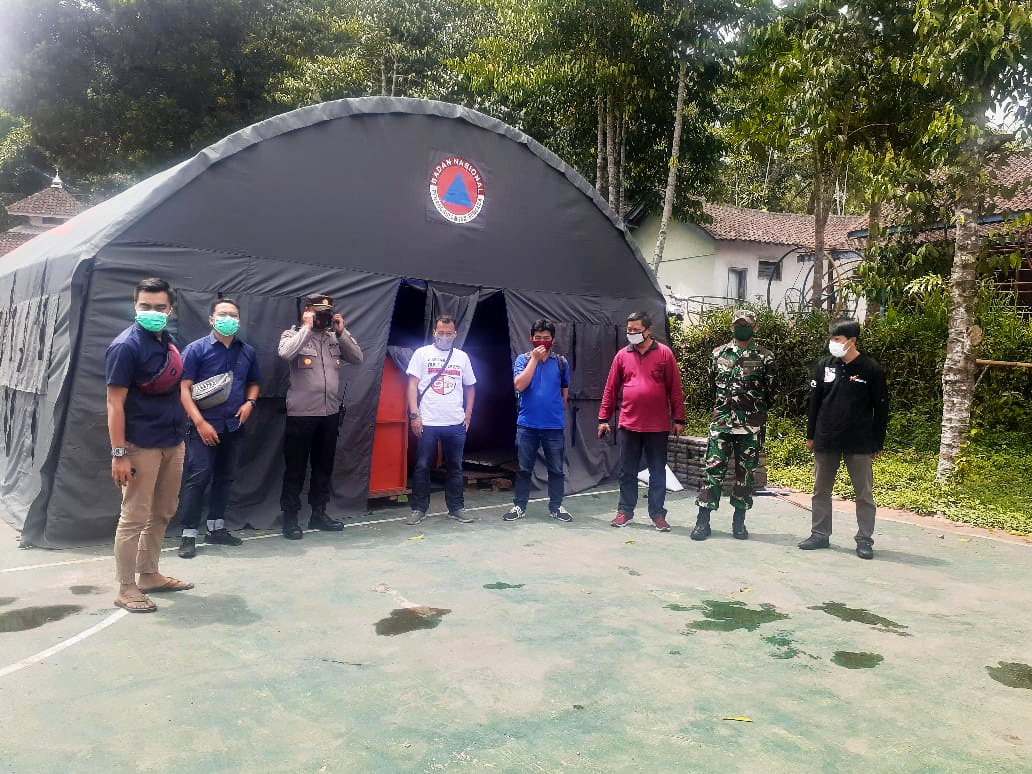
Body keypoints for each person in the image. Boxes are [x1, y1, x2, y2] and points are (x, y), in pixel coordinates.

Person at [106, 277, 192, 613]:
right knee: (133, 517)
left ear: (170, 309)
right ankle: (126, 587)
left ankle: (149, 574)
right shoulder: (126, 347)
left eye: (159, 307)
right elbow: (114, 404)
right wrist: (119, 454)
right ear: (135, 306)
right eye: (145, 306)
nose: (152, 312)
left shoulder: (169, 342)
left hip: (172, 441)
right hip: (140, 445)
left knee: (163, 512)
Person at [175, 298, 262, 559]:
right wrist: (200, 423)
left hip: (233, 426)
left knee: (225, 478)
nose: (229, 319)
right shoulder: (195, 350)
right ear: (211, 319)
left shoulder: (247, 352)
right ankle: (188, 534)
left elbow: (254, 382)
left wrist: (250, 403)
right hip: (202, 428)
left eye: (233, 315)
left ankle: (216, 529)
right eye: (223, 314)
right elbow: (183, 389)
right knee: (198, 479)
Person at [798, 318, 889, 560]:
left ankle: (864, 540)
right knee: (820, 491)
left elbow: (881, 409)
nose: (832, 344)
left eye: (837, 339)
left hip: (859, 441)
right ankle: (819, 534)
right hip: (826, 439)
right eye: (831, 339)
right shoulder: (824, 366)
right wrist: (810, 435)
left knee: (864, 494)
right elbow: (814, 402)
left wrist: (877, 442)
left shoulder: (870, 369)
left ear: (852, 341)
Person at [277, 293, 363, 540]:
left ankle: (319, 514)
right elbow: (285, 354)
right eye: (318, 312)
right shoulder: (292, 335)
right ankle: (291, 518)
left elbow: (358, 358)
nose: (323, 317)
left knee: (323, 467)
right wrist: (306, 326)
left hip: (329, 414)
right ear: (307, 311)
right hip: (301, 415)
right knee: (295, 469)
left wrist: (342, 332)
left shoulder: (333, 338)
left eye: (326, 312)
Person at [691, 310, 776, 541]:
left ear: (755, 328)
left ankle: (739, 522)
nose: (742, 328)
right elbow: (712, 387)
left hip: (750, 426)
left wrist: (755, 413)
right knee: (712, 471)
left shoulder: (764, 357)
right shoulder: (718, 354)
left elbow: (771, 392)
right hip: (721, 424)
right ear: (731, 328)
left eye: (746, 325)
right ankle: (703, 521)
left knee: (745, 474)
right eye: (738, 325)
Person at [598, 312, 686, 532]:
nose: (632, 334)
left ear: (648, 331)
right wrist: (603, 418)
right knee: (627, 471)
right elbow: (610, 389)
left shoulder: (665, 354)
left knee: (658, 472)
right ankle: (625, 511)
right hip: (629, 424)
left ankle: (657, 514)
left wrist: (679, 418)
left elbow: (675, 389)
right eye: (629, 330)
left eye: (636, 330)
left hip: (657, 426)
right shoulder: (622, 356)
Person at [406, 316, 477, 525]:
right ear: (434, 333)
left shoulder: (462, 357)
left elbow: (470, 386)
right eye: (441, 332)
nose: (444, 337)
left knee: (455, 467)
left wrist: (469, 413)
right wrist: (414, 415)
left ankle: (456, 508)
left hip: (455, 422)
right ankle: (419, 508)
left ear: (455, 334)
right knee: (422, 466)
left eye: (448, 333)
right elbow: (411, 386)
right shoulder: (422, 354)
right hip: (427, 421)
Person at [505, 319, 572, 523]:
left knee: (556, 469)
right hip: (527, 425)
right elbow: (519, 385)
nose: (542, 341)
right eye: (538, 337)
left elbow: (564, 393)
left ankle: (556, 506)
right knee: (524, 468)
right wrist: (534, 360)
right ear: (531, 338)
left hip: (553, 426)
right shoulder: (522, 360)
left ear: (553, 339)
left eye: (546, 338)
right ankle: (519, 506)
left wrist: (557, 414)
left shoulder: (561, 363)